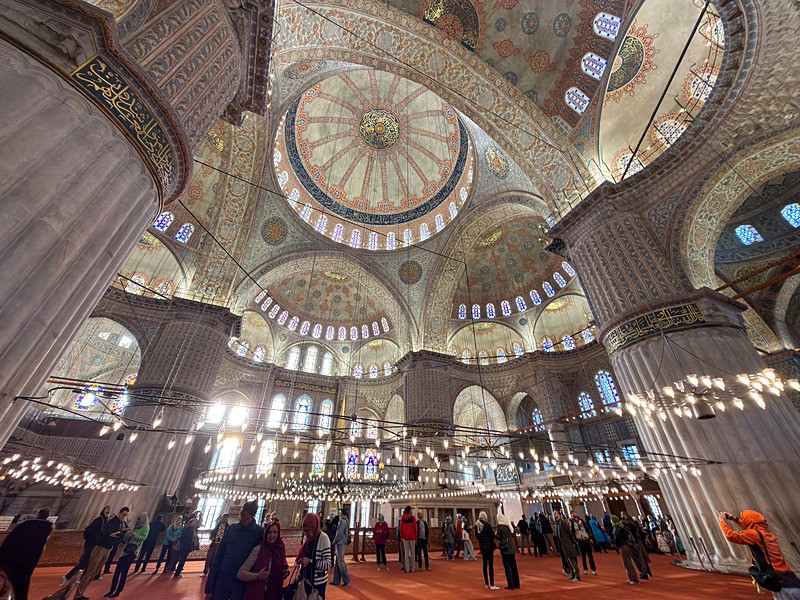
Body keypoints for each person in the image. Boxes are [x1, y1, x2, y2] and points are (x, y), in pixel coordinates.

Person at [719, 510, 800, 599]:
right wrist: (733, 518)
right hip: (790, 578)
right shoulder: (765, 533)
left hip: (781, 583)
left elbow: (730, 536)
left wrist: (722, 521)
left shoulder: (753, 535)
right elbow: (750, 526)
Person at [205, 500, 265, 600]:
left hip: (241, 582)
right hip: (223, 578)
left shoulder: (259, 532)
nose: (241, 513)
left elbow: (265, 554)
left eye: (244, 511)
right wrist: (209, 588)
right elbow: (218, 556)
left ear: (250, 514)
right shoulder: (232, 529)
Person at [75, 506, 129, 600]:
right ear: (120, 513)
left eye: (125, 515)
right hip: (101, 547)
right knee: (90, 571)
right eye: (123, 514)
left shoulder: (123, 524)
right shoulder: (112, 521)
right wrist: (114, 534)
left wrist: (121, 534)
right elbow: (105, 532)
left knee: (95, 572)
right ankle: (78, 594)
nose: (124, 516)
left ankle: (81, 592)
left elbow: (122, 536)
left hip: (109, 549)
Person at [0, 507, 54, 600]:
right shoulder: (45, 528)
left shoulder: (26, 525)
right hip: (23, 563)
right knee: (20, 586)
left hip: (11, 560)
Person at [237, 521, 289, 600]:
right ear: (265, 534)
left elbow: (283, 564)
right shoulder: (258, 549)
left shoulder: (280, 550)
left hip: (274, 593)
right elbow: (240, 574)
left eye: (275, 532)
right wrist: (257, 576)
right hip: (257, 594)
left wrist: (285, 570)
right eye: (269, 532)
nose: (272, 535)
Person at [105, 512, 149, 598]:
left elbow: (143, 538)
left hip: (133, 551)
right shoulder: (134, 527)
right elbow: (126, 538)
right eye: (138, 519)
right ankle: (112, 589)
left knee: (124, 571)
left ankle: (118, 590)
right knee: (117, 571)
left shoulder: (145, 527)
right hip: (125, 550)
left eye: (140, 519)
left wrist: (134, 535)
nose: (138, 520)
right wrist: (123, 535)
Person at [64, 506, 110, 584]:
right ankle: (68, 576)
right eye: (107, 509)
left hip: (95, 544)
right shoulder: (99, 520)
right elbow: (90, 530)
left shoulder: (105, 521)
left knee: (89, 562)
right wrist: (91, 539)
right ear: (103, 510)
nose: (109, 510)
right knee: (84, 562)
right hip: (91, 543)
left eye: (109, 509)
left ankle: (80, 577)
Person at [294, 513, 331, 598]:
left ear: (314, 527)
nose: (306, 533)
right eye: (304, 531)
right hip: (305, 580)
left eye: (308, 530)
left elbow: (328, 565)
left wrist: (310, 561)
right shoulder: (306, 539)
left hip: (318, 584)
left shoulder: (323, 538)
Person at [621, 512, 651, 580]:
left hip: (631, 542)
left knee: (635, 558)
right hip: (637, 541)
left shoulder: (624, 524)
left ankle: (642, 572)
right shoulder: (633, 522)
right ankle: (646, 572)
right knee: (640, 557)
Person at [611, 515, 639, 584]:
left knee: (627, 563)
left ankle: (634, 579)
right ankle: (631, 578)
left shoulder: (616, 527)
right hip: (628, 545)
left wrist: (614, 544)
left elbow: (616, 537)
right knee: (628, 561)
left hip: (623, 545)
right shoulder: (622, 526)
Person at [475, 511, 499, 590]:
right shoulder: (487, 525)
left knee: (485, 565)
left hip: (482, 547)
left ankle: (486, 583)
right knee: (490, 565)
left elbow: (477, 536)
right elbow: (492, 536)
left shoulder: (477, 526)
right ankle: (492, 584)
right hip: (489, 547)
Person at [554, 510, 580, 582]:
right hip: (563, 544)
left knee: (571, 559)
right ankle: (573, 574)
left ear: (559, 514)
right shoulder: (558, 523)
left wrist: (572, 541)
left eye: (555, 513)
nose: (554, 515)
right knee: (568, 560)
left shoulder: (562, 522)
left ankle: (577, 575)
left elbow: (568, 532)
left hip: (567, 543)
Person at [496, 513, 520, 590]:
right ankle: (517, 584)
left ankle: (511, 584)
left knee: (507, 567)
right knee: (514, 567)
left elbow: (498, 537)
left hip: (505, 549)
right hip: (512, 548)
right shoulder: (508, 526)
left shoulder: (500, 526)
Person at [331, 507, 350, 586]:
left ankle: (346, 579)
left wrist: (334, 541)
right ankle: (336, 580)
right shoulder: (345, 521)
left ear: (342, 513)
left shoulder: (343, 522)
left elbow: (339, 533)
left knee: (340, 561)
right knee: (338, 562)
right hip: (341, 542)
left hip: (341, 543)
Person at [398, 506, 417, 573]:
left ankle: (407, 568)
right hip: (412, 537)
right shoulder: (413, 518)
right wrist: (416, 537)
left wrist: (402, 536)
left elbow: (401, 528)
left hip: (405, 537)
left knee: (406, 553)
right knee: (413, 552)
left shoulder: (402, 518)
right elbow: (415, 528)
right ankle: (412, 568)